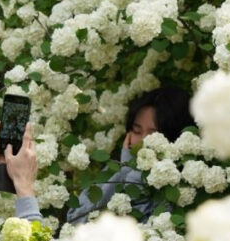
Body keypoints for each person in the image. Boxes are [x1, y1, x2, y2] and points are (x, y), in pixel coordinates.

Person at [67, 86, 194, 224]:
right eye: (136, 131)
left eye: (153, 134)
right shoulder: (115, 171)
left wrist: (134, 175)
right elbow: (75, 219)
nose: (142, 141)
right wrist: (126, 169)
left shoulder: (178, 191)